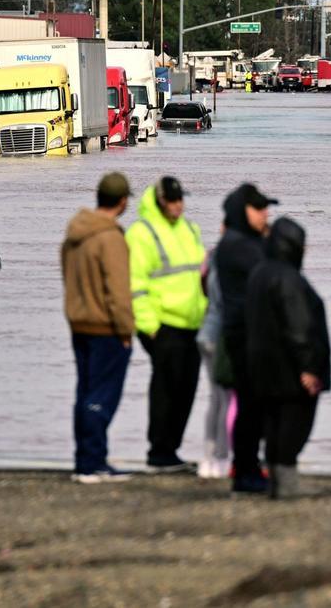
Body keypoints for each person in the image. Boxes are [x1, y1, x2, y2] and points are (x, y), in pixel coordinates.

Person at [244, 217, 331, 499]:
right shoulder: (289, 279)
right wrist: (309, 366)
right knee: (293, 425)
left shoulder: (259, 273)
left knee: (272, 425)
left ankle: (276, 483)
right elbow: (299, 327)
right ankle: (286, 482)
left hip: (262, 367)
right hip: (289, 370)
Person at [125, 176, 208, 472]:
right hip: (162, 325)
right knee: (166, 387)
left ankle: (171, 450)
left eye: (180, 199)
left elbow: (199, 274)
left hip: (192, 323)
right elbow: (135, 284)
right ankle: (159, 451)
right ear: (160, 201)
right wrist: (150, 327)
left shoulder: (189, 229)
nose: (177, 205)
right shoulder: (141, 233)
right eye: (172, 201)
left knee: (187, 387)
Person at [61, 173, 136, 484]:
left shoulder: (74, 234)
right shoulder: (111, 238)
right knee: (102, 397)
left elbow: (67, 275)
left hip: (79, 322)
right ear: (122, 201)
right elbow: (118, 289)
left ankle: (84, 460)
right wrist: (126, 330)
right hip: (106, 327)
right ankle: (94, 462)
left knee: (85, 392)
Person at [216, 183, 278, 494]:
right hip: (245, 335)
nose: (265, 213)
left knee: (253, 408)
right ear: (244, 211)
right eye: (259, 208)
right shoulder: (240, 246)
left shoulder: (239, 242)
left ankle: (249, 467)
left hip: (246, 332)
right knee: (251, 409)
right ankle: (246, 470)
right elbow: (271, 276)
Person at [196, 236, 232, 479]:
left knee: (217, 398)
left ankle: (208, 458)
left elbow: (204, 284)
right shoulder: (237, 256)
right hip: (223, 333)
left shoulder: (212, 254)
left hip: (206, 329)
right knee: (228, 399)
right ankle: (222, 457)